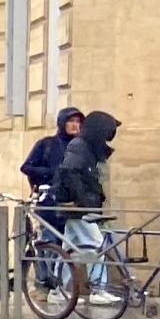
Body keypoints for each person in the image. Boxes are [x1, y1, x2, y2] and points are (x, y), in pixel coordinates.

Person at [52, 109, 119, 285]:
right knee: (96, 243)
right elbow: (70, 172)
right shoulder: (80, 146)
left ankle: (57, 288)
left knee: (69, 248)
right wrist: (81, 199)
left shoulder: (86, 147)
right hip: (79, 208)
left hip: (80, 206)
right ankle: (98, 287)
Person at [21, 107, 80, 199]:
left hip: (73, 201)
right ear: (62, 122)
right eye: (71, 121)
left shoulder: (81, 147)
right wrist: (51, 172)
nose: (75, 124)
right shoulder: (47, 144)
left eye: (78, 121)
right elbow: (26, 167)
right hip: (48, 201)